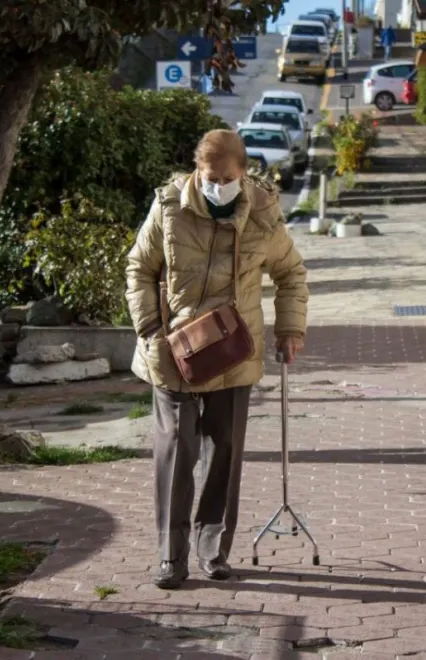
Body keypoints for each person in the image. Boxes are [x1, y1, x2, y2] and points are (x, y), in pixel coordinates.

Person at [125, 129, 309, 590]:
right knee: (176, 449)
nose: (217, 185)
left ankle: (213, 549)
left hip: (232, 351)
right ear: (196, 170)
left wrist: (290, 329)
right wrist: (150, 331)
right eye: (210, 177)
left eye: (227, 177)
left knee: (223, 451)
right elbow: (140, 268)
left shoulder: (263, 212)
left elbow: (291, 273)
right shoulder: (169, 206)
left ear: (243, 172)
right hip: (173, 353)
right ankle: (171, 555)